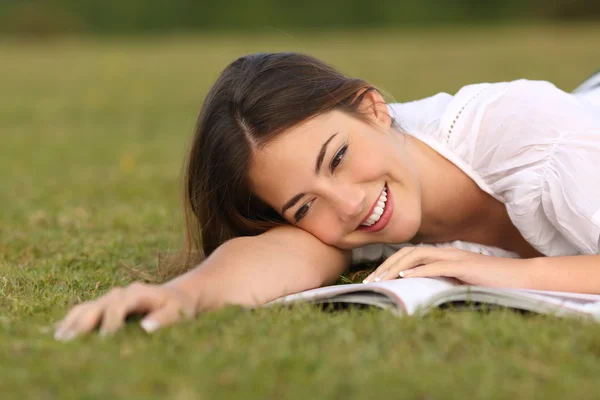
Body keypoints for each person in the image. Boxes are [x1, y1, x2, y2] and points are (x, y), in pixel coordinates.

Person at [54, 53, 600, 341]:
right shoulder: (349, 214)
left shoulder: (530, 134)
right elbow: (274, 254)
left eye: (336, 158)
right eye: (303, 205)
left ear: (373, 108)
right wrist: (181, 296)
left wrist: (509, 276)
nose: (347, 205)